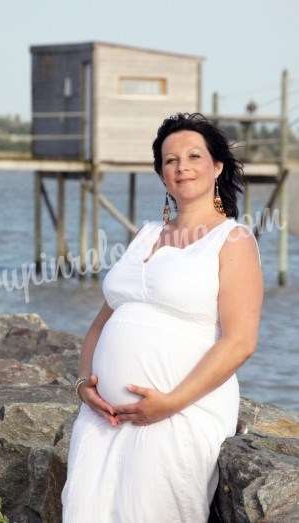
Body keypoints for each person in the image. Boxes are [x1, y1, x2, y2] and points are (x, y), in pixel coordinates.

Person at [61, 112, 264, 522]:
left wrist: (170, 403)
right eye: (170, 161)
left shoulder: (233, 240)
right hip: (103, 419)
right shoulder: (146, 234)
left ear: (217, 166)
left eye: (193, 156)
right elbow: (103, 320)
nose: (182, 167)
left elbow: (240, 341)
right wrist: (84, 384)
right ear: (160, 174)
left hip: (179, 414)